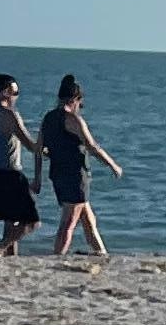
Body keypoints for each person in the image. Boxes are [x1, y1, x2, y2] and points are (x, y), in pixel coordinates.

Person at [41, 74, 123, 259]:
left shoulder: (49, 118)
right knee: (69, 221)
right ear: (75, 100)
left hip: (58, 172)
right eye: (80, 103)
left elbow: (41, 147)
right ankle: (57, 256)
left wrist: (39, 175)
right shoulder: (72, 120)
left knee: (87, 216)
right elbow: (92, 146)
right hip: (74, 175)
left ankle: (100, 252)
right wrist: (113, 165)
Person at [0, 72, 41, 258]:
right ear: (5, 92)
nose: (16, 97)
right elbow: (30, 145)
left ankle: (10, 257)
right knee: (31, 222)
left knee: (11, 220)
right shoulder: (10, 115)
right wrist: (45, 149)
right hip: (10, 173)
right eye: (15, 93)